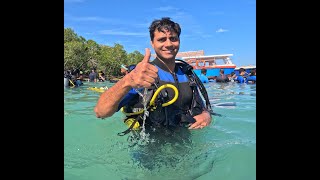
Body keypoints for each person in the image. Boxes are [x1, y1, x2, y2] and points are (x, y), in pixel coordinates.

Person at [94, 17, 213, 169]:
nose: (168, 44)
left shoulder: (188, 74)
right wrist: (127, 81)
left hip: (185, 147)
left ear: (179, 41)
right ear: (152, 43)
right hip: (149, 152)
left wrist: (206, 115)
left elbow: (203, 107)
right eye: (162, 39)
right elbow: (100, 112)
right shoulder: (141, 75)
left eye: (173, 38)